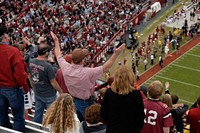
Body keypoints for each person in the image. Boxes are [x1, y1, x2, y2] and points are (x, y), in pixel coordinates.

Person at [51, 32, 125, 121]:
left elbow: (58, 54)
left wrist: (56, 41)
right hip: (84, 102)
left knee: (78, 120)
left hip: (72, 100)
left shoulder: (65, 67)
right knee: (89, 121)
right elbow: (106, 67)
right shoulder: (87, 72)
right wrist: (115, 54)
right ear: (82, 60)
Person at [100, 65, 145, 133]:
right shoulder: (136, 94)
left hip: (113, 129)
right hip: (131, 129)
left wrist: (112, 123)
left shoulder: (109, 93)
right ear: (131, 78)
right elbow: (140, 116)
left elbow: (103, 114)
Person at [0, 27, 28, 132]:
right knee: (18, 117)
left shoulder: (12, 51)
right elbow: (20, 74)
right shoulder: (13, 51)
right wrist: (23, 86)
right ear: (5, 36)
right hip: (12, 88)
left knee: (2, 115)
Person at [29, 38, 63, 123]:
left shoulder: (31, 62)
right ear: (46, 53)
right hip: (49, 94)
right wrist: (61, 92)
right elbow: (53, 82)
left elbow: (29, 77)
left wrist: (34, 88)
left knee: (38, 113)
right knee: (52, 116)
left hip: (38, 92)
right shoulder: (48, 66)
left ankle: (36, 129)